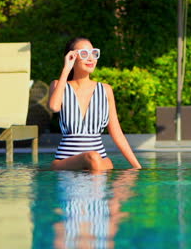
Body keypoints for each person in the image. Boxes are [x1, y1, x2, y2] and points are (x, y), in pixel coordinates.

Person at [48, 37, 142, 170]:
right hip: (66, 162)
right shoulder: (59, 85)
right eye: (84, 54)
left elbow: (117, 133)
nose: (91, 58)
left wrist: (137, 167)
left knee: (95, 159)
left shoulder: (105, 90)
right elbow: (54, 107)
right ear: (72, 57)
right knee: (92, 157)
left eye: (94, 53)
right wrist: (66, 69)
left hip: (99, 161)